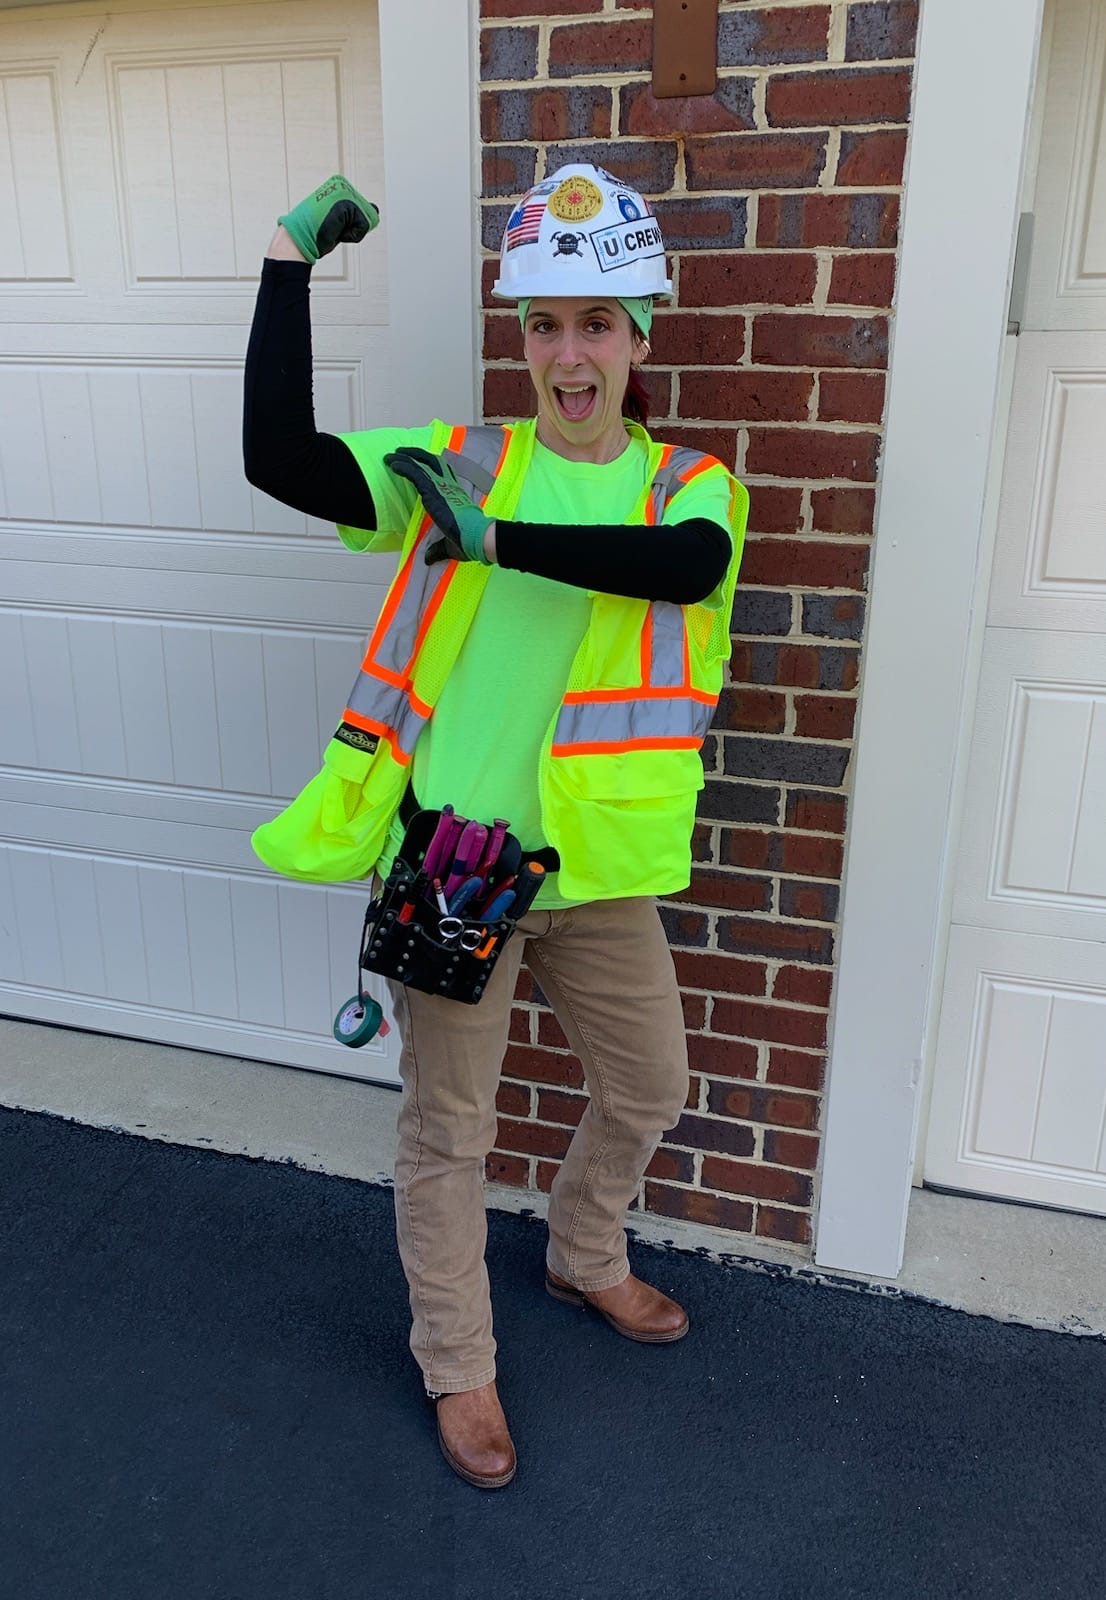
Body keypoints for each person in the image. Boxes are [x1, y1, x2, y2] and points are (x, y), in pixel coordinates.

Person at [243, 166, 749, 1489]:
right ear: (522, 338)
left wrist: (497, 543)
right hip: (459, 872)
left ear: (640, 336)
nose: (569, 355)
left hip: (595, 872)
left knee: (651, 1086)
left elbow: (687, 570)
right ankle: (458, 1361)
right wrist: (288, 265)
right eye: (544, 325)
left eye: (597, 325)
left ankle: (584, 1253)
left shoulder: (687, 486)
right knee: (448, 1134)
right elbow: (279, 460)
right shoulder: (458, 466)